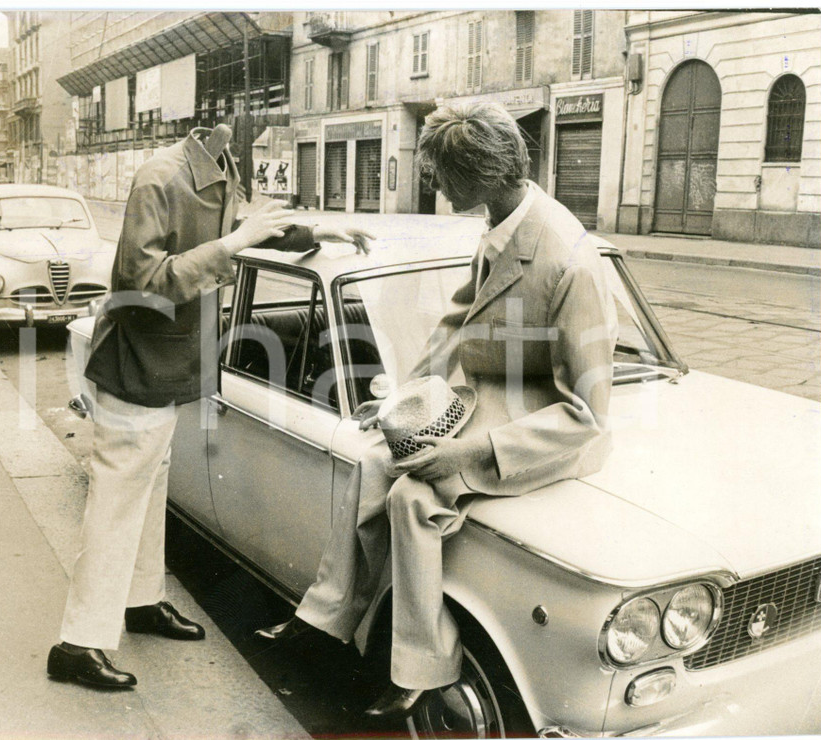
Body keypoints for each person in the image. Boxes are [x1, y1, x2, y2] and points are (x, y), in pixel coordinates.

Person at [255, 102, 618, 719]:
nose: (435, 186)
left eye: (444, 174)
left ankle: (425, 664)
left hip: (545, 430)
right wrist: (401, 400)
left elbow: (586, 413)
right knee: (370, 463)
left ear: (484, 173)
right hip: (495, 401)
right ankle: (325, 615)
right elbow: (456, 323)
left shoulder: (570, 262)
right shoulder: (504, 226)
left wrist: (465, 450)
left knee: (412, 497)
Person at [47, 123, 373, 690]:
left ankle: (141, 601)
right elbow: (140, 281)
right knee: (117, 504)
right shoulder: (161, 179)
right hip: (136, 369)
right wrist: (231, 244)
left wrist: (321, 229)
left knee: (148, 490)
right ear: (212, 132)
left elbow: (249, 231)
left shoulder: (213, 169)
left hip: (164, 366)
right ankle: (77, 643)